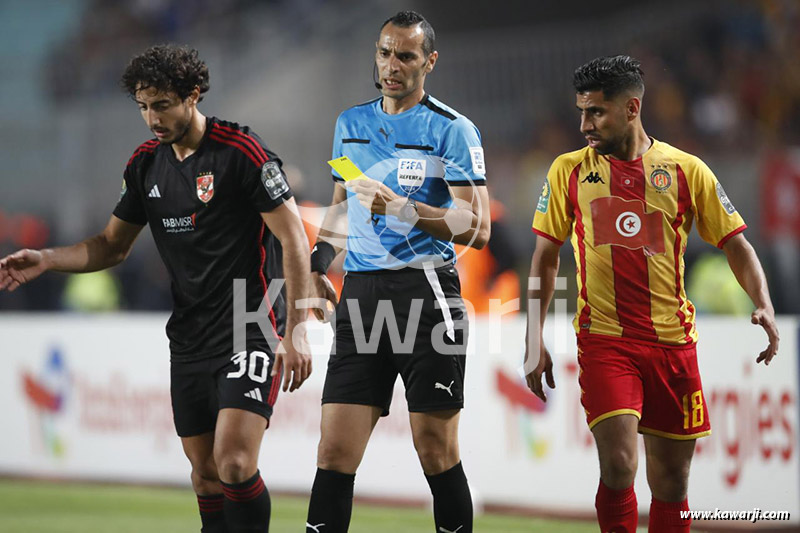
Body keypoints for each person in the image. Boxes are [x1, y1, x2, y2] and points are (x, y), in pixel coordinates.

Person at [0, 45, 312, 533]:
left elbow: (293, 235)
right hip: (189, 339)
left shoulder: (241, 152)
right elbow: (110, 245)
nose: (152, 118)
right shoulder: (146, 165)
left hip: (250, 327)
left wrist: (297, 330)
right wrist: (48, 259)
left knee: (233, 463)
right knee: (206, 476)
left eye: (162, 104)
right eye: (144, 106)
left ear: (193, 95)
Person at [524, 55, 779, 532]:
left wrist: (762, 302)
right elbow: (545, 257)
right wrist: (533, 338)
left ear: (631, 108)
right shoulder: (569, 171)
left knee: (671, 483)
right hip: (605, 341)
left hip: (672, 345)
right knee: (619, 465)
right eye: (581, 112)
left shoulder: (686, 170)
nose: (584, 125)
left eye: (595, 112)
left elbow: (736, 244)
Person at [305, 11, 490, 533]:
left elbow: (478, 228)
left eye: (405, 56)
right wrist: (321, 266)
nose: (391, 65)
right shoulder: (349, 124)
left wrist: (404, 209)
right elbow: (340, 208)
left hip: (427, 293)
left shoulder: (452, 129)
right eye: (385, 52)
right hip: (361, 295)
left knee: (435, 450)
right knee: (334, 450)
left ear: (429, 62)